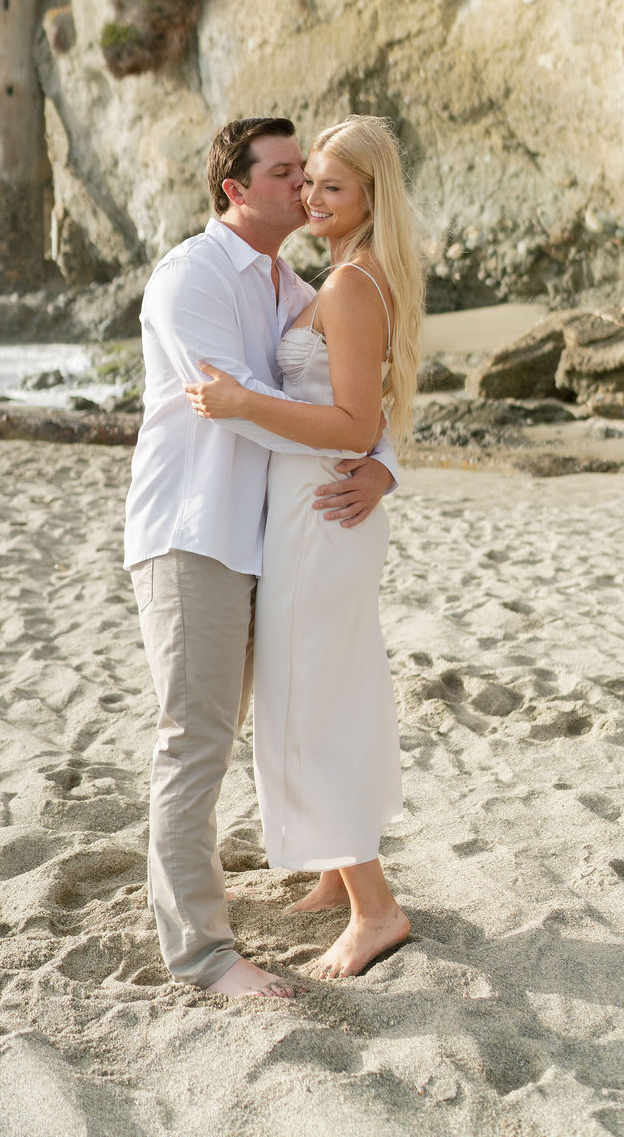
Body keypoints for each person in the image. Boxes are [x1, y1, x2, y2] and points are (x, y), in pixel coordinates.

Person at [123, 116, 399, 998]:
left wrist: (381, 466)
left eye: (314, 177)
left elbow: (346, 390)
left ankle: (335, 872)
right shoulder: (190, 277)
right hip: (195, 534)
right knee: (195, 743)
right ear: (236, 190)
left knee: (289, 709)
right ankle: (204, 957)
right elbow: (233, 406)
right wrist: (355, 437)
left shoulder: (291, 286)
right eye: (286, 173)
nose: (302, 189)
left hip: (268, 538)